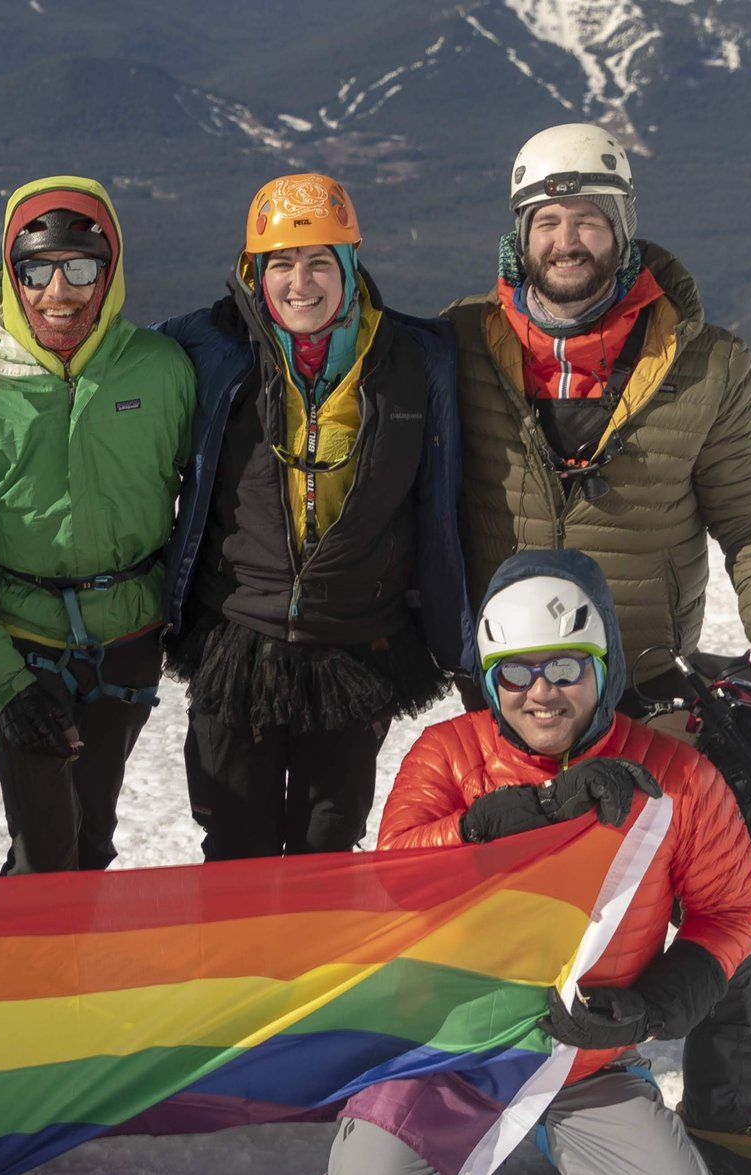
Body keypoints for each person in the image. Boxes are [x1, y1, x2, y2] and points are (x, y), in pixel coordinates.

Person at [448, 123, 751, 1175]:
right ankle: (482, 1074)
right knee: (490, 873)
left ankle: (725, 1115)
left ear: (625, 229)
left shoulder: (707, 371)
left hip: (646, 685)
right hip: (510, 697)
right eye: (548, 221)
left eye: (591, 220)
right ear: (518, 236)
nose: (570, 242)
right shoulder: (465, 348)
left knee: (734, 879)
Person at [304, 549, 751, 1175]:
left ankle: (553, 1130)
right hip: (447, 1049)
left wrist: (652, 1007)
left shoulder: (676, 774)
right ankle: (381, 1132)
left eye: (565, 667)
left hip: (584, 1060)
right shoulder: (447, 754)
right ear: (489, 678)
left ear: (602, 665)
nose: (540, 692)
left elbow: (732, 906)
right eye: (514, 672)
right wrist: (488, 826)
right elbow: (392, 883)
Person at [155, 172, 470, 862]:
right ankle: (244, 973)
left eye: (320, 261)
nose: (301, 282)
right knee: (236, 841)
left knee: (329, 844)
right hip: (238, 635)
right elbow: (91, 352)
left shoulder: (417, 356)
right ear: (252, 272)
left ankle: (318, 974)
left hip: (357, 643)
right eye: (282, 264)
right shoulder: (208, 348)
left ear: (351, 266)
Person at [0, 175, 195, 874]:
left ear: (111, 273)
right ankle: (28, 973)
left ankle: (73, 980)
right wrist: (3, 682)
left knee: (91, 840)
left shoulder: (160, 373)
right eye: (35, 270)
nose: (58, 293)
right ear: (10, 273)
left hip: (127, 639)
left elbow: (211, 492)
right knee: (45, 851)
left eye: (81, 268)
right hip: (25, 644)